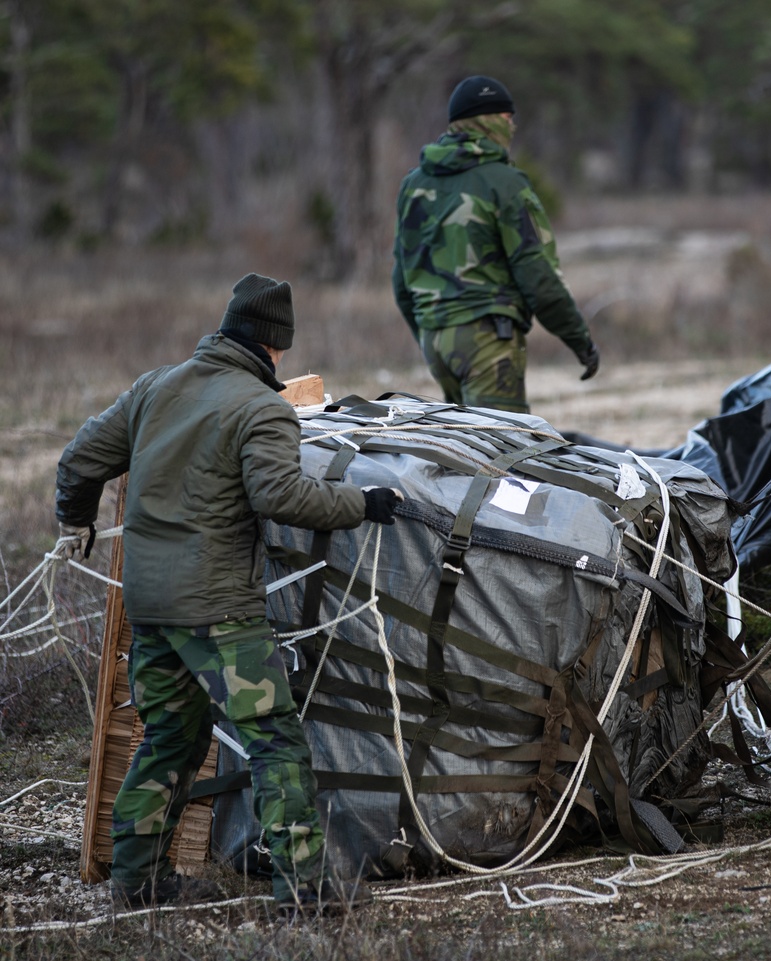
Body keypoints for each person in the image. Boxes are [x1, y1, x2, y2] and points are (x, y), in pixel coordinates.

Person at [54, 273, 403, 913]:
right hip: (217, 611)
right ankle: (308, 896)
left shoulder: (155, 386)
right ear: (275, 347)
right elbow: (282, 496)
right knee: (274, 740)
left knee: (171, 738)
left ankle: (137, 882)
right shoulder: (262, 407)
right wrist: (363, 503)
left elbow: (78, 459)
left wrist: (76, 520)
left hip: (151, 607)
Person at [391, 74, 599, 414]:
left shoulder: (413, 185)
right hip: (488, 340)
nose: (513, 127)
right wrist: (580, 341)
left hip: (436, 341)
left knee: (466, 452)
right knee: (504, 454)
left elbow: (401, 280)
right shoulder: (504, 183)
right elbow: (537, 275)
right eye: (506, 118)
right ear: (487, 122)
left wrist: (431, 331)